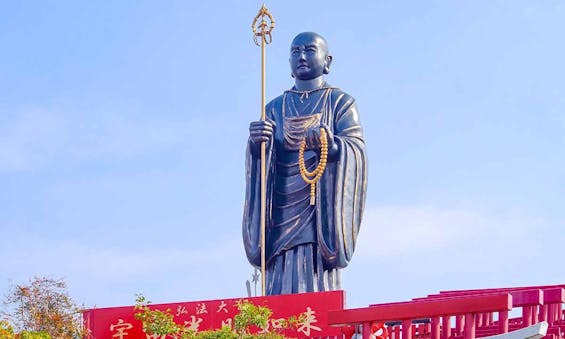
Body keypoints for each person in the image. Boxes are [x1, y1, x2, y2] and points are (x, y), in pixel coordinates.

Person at [243, 32, 367, 295]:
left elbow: (355, 149)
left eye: (310, 50)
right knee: (279, 277)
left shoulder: (341, 102)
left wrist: (332, 147)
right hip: (281, 207)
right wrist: (257, 145)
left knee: (314, 276)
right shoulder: (275, 107)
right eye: (295, 51)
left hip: (319, 208)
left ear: (327, 61)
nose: (301, 57)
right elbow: (262, 160)